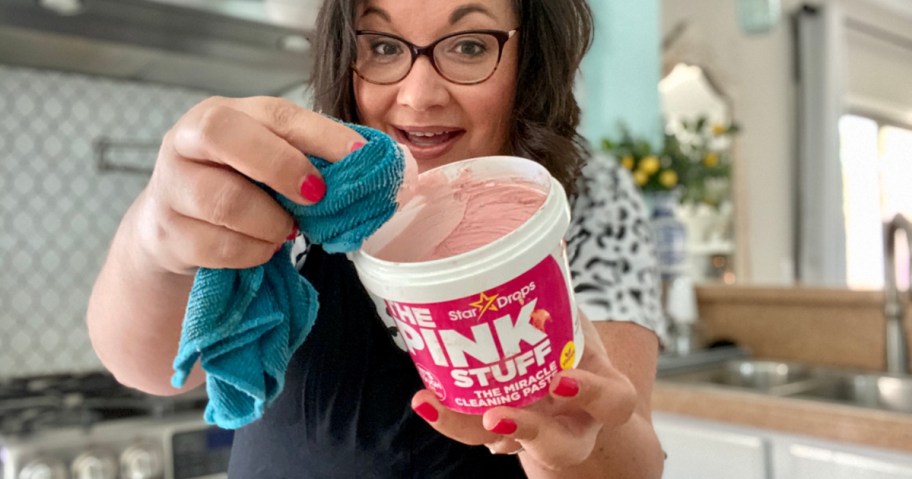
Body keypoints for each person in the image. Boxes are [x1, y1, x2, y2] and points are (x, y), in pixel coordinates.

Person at [87, 0, 666, 477]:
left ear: (530, 59)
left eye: (469, 46)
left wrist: (565, 453)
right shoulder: (303, 182)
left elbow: (627, 444)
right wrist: (152, 236)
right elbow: (152, 368)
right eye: (384, 47)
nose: (418, 96)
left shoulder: (581, 199)